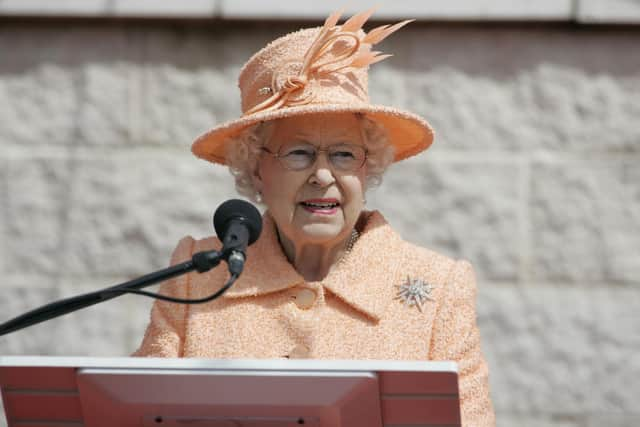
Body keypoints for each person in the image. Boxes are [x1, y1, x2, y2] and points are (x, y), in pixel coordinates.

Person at [134, 8, 495, 426]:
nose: (323, 175)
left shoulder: (439, 289)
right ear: (256, 170)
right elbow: (137, 413)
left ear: (367, 168)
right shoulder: (197, 277)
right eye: (298, 153)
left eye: (344, 154)